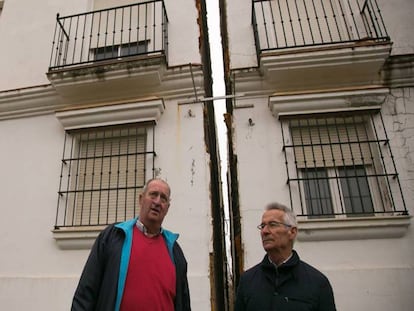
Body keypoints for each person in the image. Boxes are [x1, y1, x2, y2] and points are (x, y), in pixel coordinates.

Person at [72, 178, 191, 311]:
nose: (157, 202)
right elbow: (86, 292)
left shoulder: (174, 250)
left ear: (167, 208)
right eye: (153, 194)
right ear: (141, 199)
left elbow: (184, 303)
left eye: (163, 198)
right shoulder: (113, 236)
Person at [234, 202, 336, 311]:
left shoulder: (317, 283)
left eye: (272, 224)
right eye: (262, 226)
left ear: (292, 232)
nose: (264, 231)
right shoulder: (247, 281)